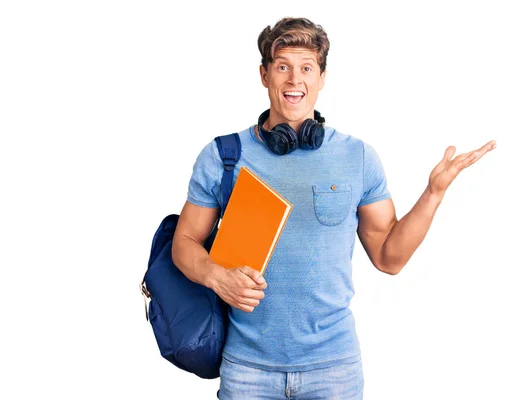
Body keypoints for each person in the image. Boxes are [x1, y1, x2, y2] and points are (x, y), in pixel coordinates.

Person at [172, 17, 495, 400]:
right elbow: (185, 240)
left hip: (333, 371)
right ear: (264, 75)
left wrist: (433, 193)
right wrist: (215, 275)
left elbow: (389, 258)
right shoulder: (224, 156)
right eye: (282, 67)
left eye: (307, 68)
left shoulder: (357, 157)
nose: (295, 80)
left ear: (322, 77)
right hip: (247, 370)